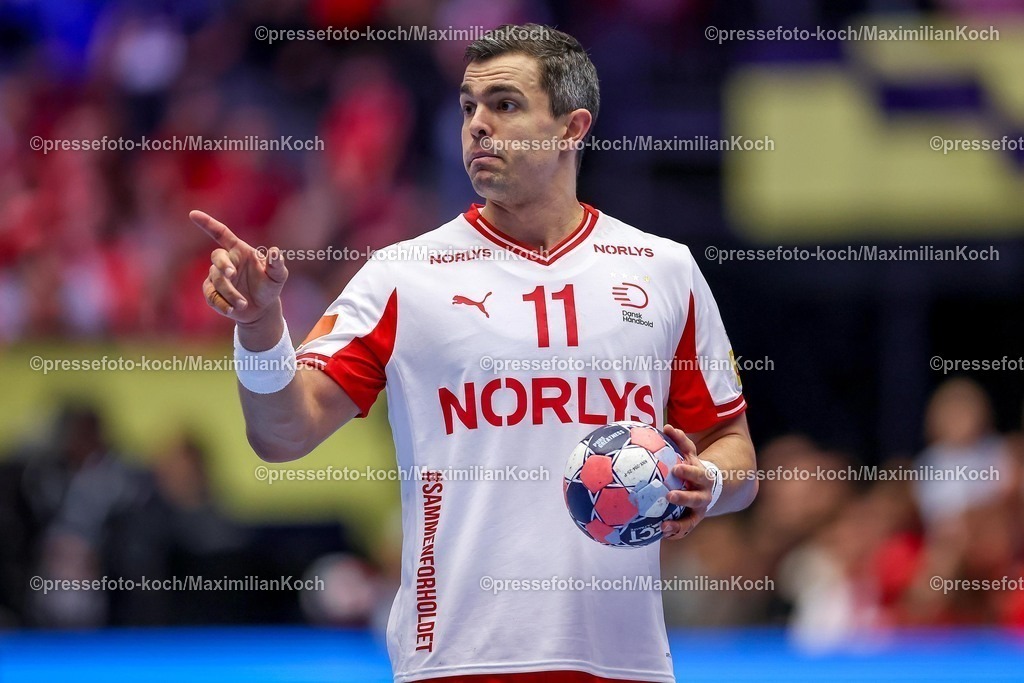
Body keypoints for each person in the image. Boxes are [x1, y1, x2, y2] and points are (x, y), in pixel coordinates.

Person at [193, 23, 757, 683]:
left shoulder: (667, 270)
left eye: (505, 105)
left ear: (573, 128)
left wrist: (707, 483)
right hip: (456, 659)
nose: (478, 125)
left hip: (625, 662)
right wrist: (260, 324)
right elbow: (282, 433)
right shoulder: (402, 276)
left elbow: (733, 446)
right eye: (468, 107)